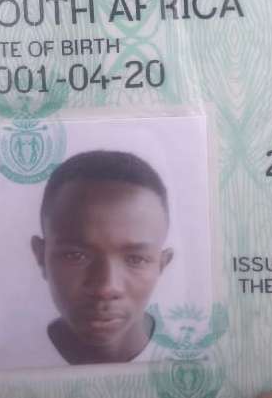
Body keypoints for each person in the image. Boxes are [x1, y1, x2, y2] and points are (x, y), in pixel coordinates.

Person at [31, 149, 173, 365]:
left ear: (162, 265)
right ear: (41, 257)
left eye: (136, 259)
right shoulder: (4, 358)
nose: (106, 288)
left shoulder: (196, 355)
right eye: (76, 255)